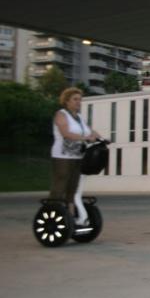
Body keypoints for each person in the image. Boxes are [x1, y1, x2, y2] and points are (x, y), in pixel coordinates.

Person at [50, 87, 101, 219]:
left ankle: (70, 215)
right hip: (62, 156)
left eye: (80, 100)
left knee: (73, 186)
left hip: (77, 156)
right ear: (66, 101)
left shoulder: (79, 117)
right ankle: (52, 212)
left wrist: (101, 138)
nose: (78, 102)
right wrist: (85, 138)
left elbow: (90, 131)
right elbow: (66, 133)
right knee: (61, 184)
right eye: (75, 99)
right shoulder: (61, 114)